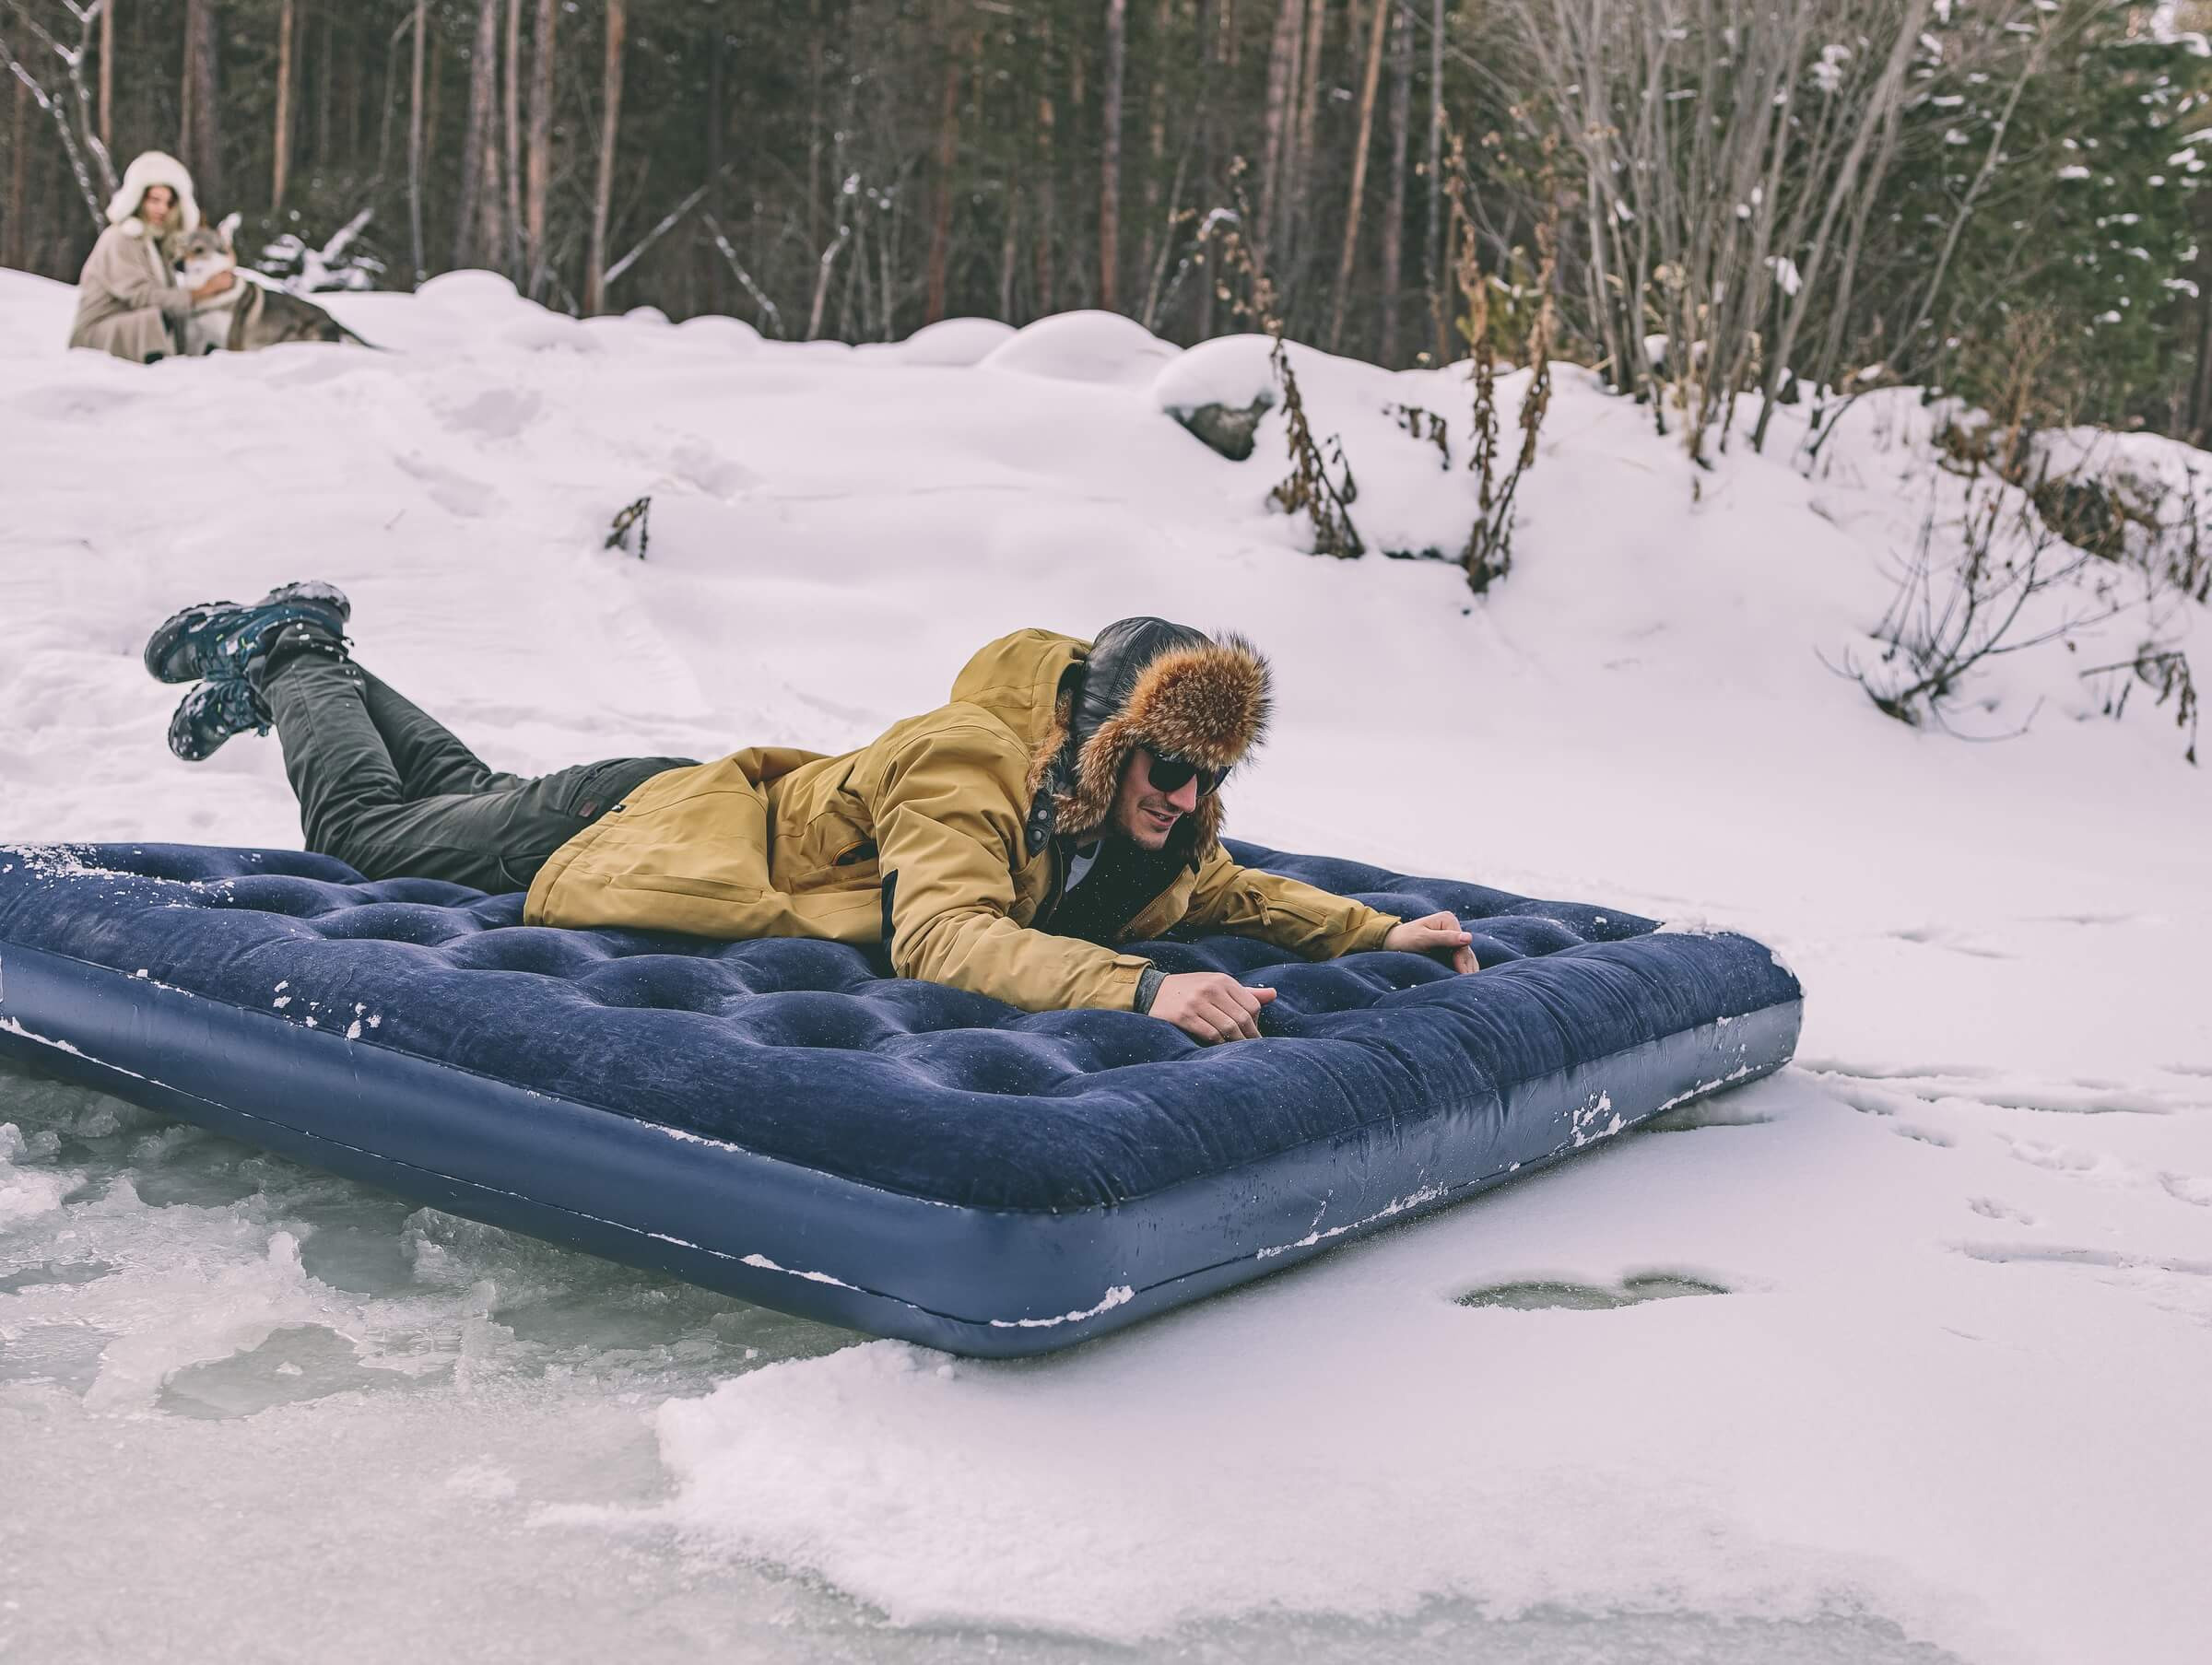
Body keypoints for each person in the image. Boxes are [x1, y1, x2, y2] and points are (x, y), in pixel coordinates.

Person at [142, 585, 1478, 1045]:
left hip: (700, 808)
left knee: (460, 800)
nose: (1187, 803)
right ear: (1102, 741)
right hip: (652, 832)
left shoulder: (1148, 817)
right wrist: (1138, 994)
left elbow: (1234, 890)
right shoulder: (969, 762)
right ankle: (292, 658)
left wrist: (1372, 932)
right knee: (373, 837)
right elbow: (943, 936)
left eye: (1206, 778)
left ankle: (297, 654)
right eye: (1165, 770)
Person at [68, 151, 234, 363]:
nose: (162, 209)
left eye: (169, 203)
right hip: (97, 335)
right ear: (138, 200)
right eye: (155, 200)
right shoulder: (120, 238)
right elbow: (142, 297)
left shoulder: (155, 243)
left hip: (133, 327)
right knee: (156, 319)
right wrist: (201, 293)